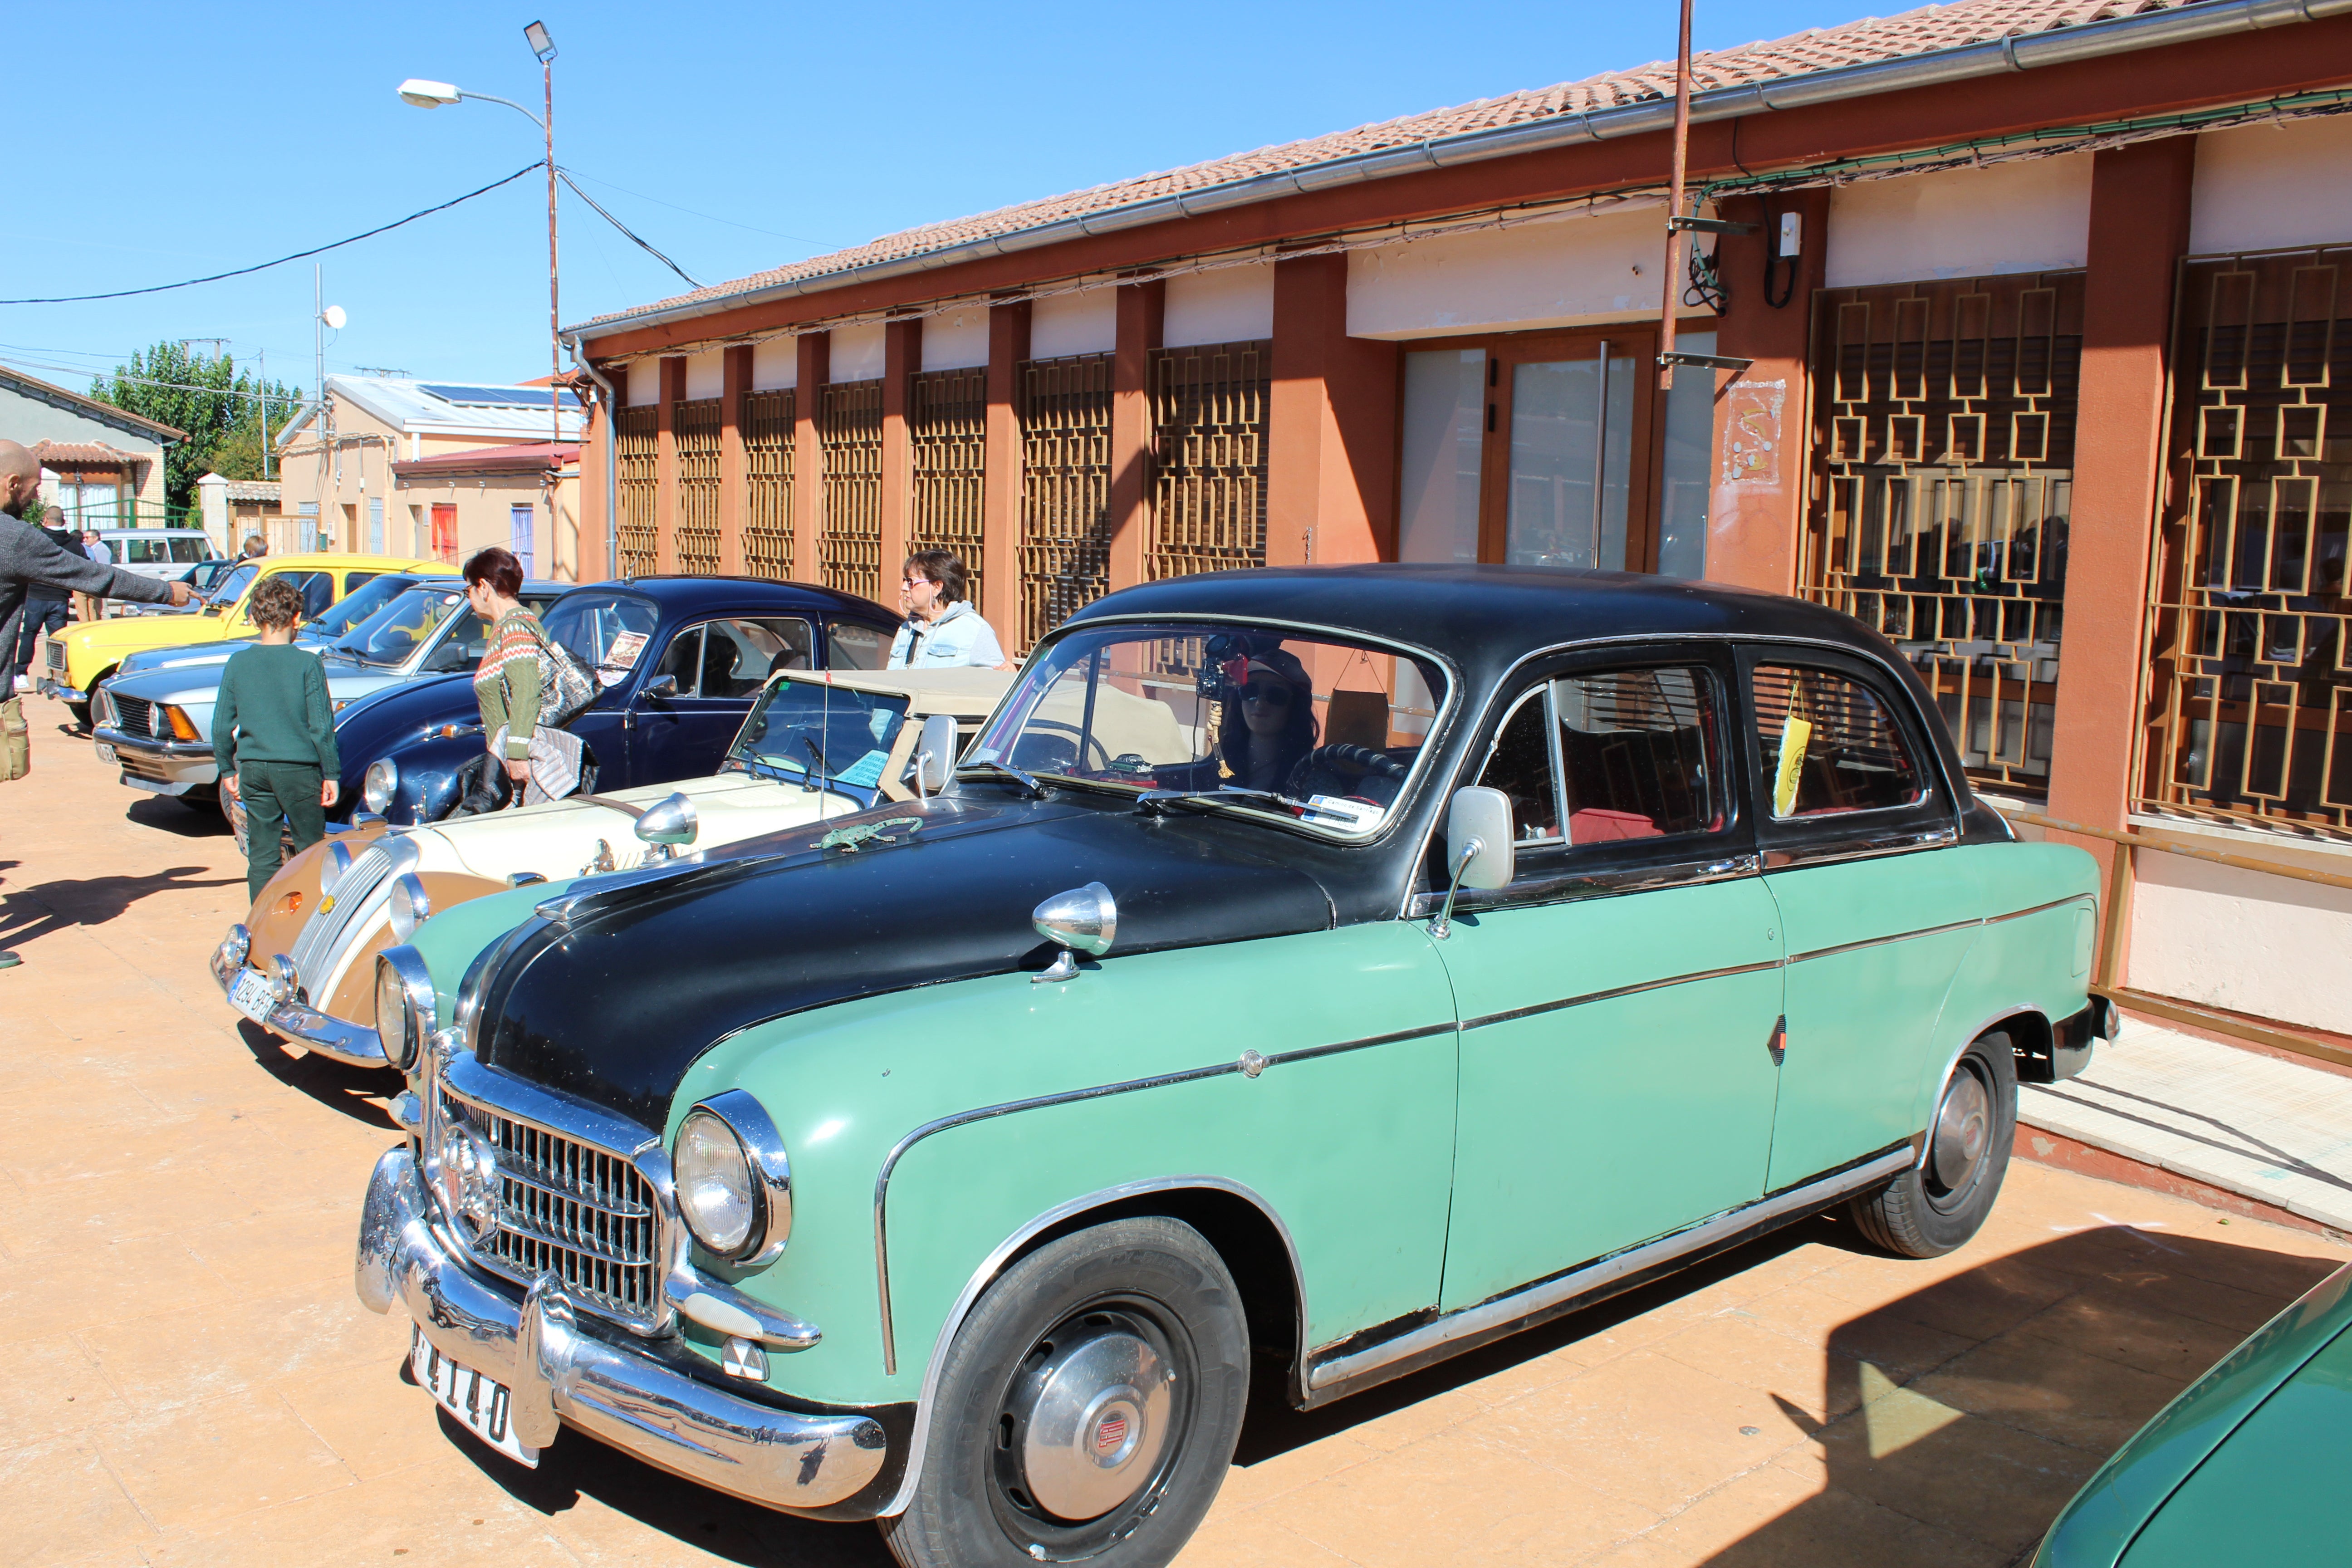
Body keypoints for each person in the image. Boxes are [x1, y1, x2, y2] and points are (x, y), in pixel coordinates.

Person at [214, 577, 339, 903]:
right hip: (299, 771)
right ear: (297, 619)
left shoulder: (238, 663)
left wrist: (227, 769)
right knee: (310, 850)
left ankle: (260, 924)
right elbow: (321, 727)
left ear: (256, 619)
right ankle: (308, 920)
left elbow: (220, 726)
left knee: (262, 853)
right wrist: (332, 774)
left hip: (254, 768)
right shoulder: (307, 663)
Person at [464, 545, 576, 806]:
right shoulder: (508, 627)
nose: (468, 598)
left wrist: (516, 754)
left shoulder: (515, 628)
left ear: (483, 587)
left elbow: (527, 691)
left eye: (467, 590)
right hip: (507, 761)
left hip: (520, 768)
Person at [1217, 648, 1318, 794]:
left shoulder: (1311, 779)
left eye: (1275, 694)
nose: (1259, 702)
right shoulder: (1218, 764)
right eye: (1250, 691)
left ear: (1296, 705)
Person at [888, 549, 1008, 669]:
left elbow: (993, 681)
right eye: (905, 581)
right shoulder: (906, 629)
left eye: (911, 582)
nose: (903, 587)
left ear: (937, 587)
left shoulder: (974, 629)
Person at [10, 509, 74, 693]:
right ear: (64, 521)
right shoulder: (73, 544)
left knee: (29, 635)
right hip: (60, 598)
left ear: (45, 520)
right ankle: (61, 676)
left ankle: (21, 673)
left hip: (36, 595)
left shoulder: (35, 538)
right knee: (59, 640)